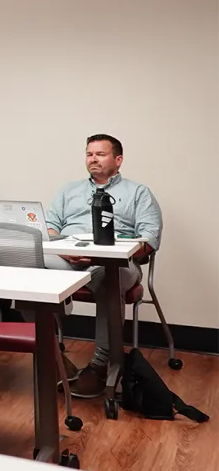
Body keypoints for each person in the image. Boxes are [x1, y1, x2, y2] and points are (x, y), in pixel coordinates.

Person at [46, 134, 162, 398]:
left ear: (118, 160)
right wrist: (64, 249)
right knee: (25, 267)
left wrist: (101, 255)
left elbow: (149, 241)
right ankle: (51, 354)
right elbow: (50, 227)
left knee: (111, 277)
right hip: (68, 258)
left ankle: (101, 366)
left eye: (100, 154)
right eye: (89, 154)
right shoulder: (68, 190)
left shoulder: (138, 193)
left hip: (114, 263)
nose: (93, 159)